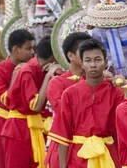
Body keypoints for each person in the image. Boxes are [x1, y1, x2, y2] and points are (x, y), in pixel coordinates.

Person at [50, 39, 124, 168]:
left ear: (105, 63)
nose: (93, 65)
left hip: (108, 156)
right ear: (82, 64)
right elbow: (62, 133)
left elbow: (122, 131)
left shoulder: (116, 92)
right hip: (78, 157)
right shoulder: (70, 93)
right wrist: (62, 166)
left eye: (97, 59)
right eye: (88, 60)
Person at [1, 35, 61, 168]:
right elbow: (36, 106)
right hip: (19, 129)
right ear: (54, 57)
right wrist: (48, 77)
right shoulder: (28, 71)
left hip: (30, 127)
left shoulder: (38, 68)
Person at [0, 29, 35, 168]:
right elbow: (6, 101)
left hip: (24, 127)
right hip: (1, 124)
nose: (32, 52)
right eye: (28, 48)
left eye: (33, 48)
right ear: (15, 49)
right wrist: (16, 76)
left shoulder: (32, 68)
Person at [44, 31, 91, 168]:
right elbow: (67, 114)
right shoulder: (57, 83)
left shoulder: (102, 82)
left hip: (96, 150)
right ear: (70, 55)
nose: (89, 57)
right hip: (66, 147)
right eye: (83, 52)